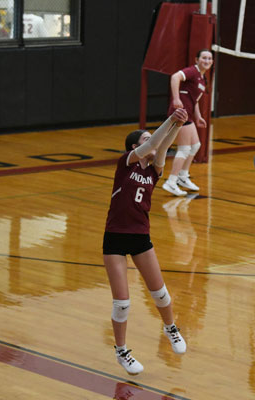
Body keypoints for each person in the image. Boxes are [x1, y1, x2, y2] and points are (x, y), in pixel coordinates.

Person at [103, 108, 189, 375]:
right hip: (115, 238)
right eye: (145, 139)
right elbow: (153, 145)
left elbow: (160, 147)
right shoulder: (126, 163)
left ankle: (170, 328)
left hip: (140, 237)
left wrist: (178, 125)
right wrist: (170, 120)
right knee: (122, 304)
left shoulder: (154, 171)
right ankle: (121, 351)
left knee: (160, 293)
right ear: (134, 147)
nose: (152, 142)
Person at [162, 49, 214, 196]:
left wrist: (198, 116)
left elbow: (194, 100)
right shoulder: (192, 71)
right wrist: (176, 98)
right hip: (180, 113)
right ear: (197, 59)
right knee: (184, 149)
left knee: (195, 145)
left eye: (209, 58)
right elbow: (175, 77)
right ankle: (171, 181)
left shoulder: (202, 79)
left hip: (189, 115)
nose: (207, 61)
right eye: (204, 58)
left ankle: (183, 176)